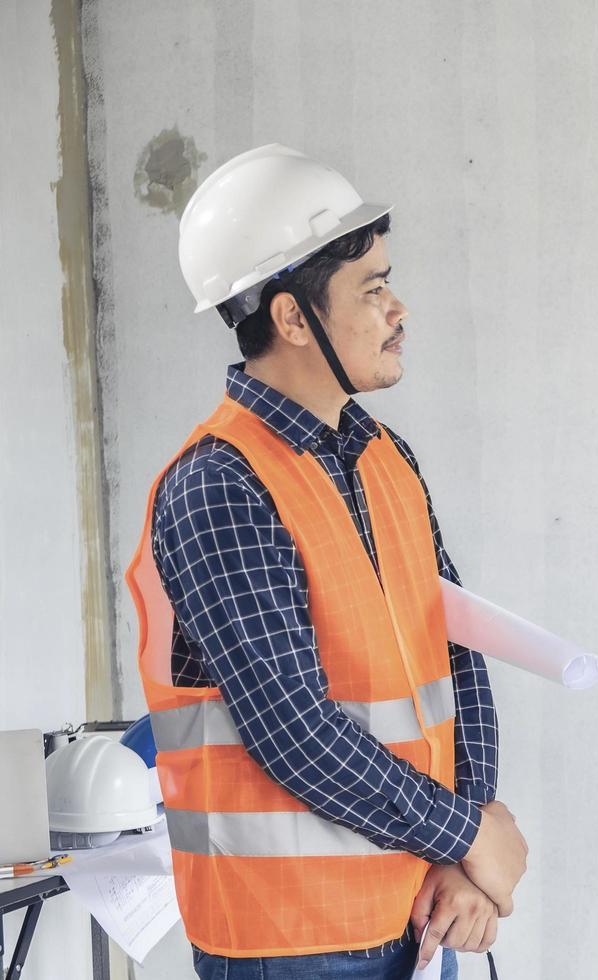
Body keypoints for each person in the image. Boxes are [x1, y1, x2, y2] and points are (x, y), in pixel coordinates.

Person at [125, 144, 528, 979]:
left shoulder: (386, 457)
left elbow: (456, 652)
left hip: (418, 909)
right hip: (291, 942)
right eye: (372, 290)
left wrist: (467, 848)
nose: (398, 309)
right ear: (294, 319)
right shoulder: (221, 483)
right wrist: (469, 833)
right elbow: (294, 735)